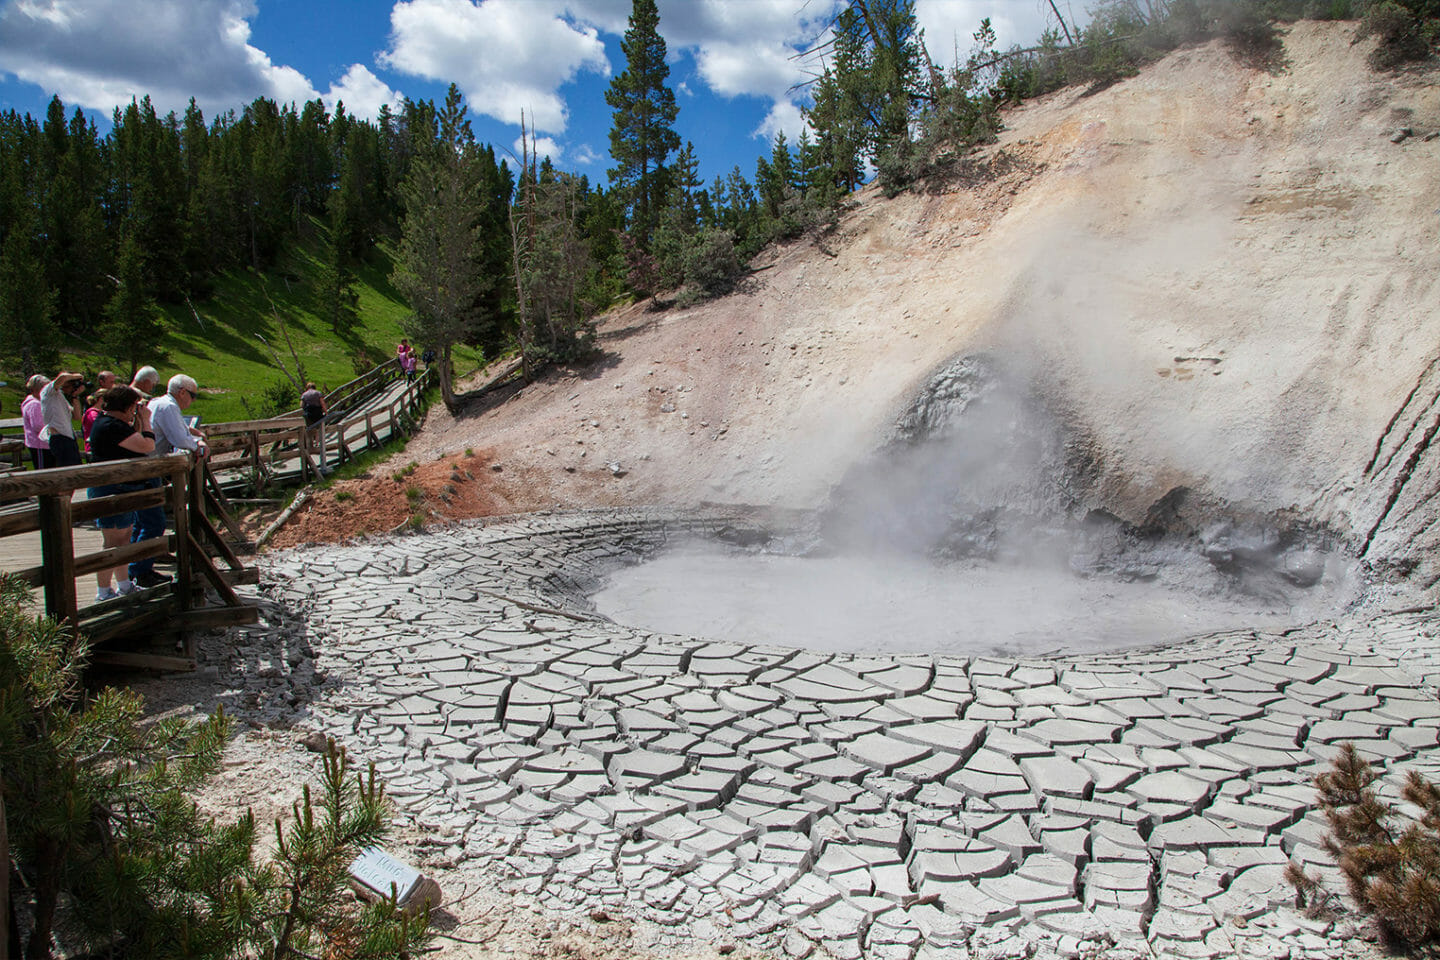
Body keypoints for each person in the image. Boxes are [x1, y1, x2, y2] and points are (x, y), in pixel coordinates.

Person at [87, 386, 154, 600]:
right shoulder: (110, 426)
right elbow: (146, 445)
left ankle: (124, 585)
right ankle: (103, 590)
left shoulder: (111, 424)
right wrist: (146, 421)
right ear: (126, 405)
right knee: (112, 542)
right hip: (112, 489)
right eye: (134, 406)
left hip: (120, 487)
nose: (136, 410)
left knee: (124, 539)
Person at [38, 371, 85, 467]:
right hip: (59, 438)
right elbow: (63, 377)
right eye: (72, 384)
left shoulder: (60, 396)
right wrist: (77, 376)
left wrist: (75, 396)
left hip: (68, 438)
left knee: (76, 469)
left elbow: (76, 416)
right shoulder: (48, 391)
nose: (73, 387)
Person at [300, 381, 329, 476]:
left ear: (307, 387)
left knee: (309, 429)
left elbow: (301, 405)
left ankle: (310, 446)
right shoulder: (318, 393)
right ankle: (318, 443)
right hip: (317, 412)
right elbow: (322, 403)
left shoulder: (304, 394)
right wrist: (326, 412)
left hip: (308, 413)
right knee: (319, 428)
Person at [21, 375, 49, 469]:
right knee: (43, 470)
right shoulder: (34, 404)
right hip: (39, 444)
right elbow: (38, 426)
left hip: (44, 444)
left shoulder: (38, 402)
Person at [81, 388, 106, 460]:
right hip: (93, 448)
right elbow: (100, 426)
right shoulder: (92, 413)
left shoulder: (102, 412)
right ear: (101, 399)